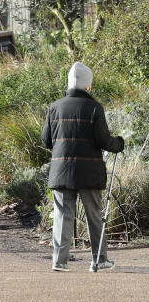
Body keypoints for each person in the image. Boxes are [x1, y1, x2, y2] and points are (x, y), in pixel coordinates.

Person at [42, 62, 125, 272]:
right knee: (94, 215)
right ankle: (99, 260)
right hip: (89, 172)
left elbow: (46, 140)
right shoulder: (94, 107)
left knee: (62, 214)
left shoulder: (54, 107)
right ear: (88, 86)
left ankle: (59, 261)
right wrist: (119, 143)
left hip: (61, 171)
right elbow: (104, 141)